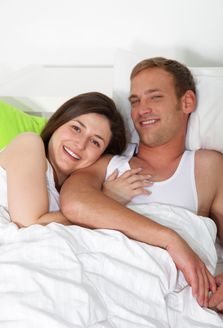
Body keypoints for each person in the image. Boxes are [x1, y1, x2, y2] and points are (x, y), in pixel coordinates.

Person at [59, 58, 223, 311]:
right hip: (91, 285)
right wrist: (170, 239)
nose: (142, 110)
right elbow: (74, 203)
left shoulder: (208, 168)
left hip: (160, 297)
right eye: (135, 101)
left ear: (187, 102)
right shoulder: (105, 162)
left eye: (155, 97)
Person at [0, 91, 137, 227]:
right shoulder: (29, 143)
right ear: (58, 123)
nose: (80, 144)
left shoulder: (74, 192)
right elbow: (29, 225)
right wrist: (104, 201)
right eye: (76, 128)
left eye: (95, 142)